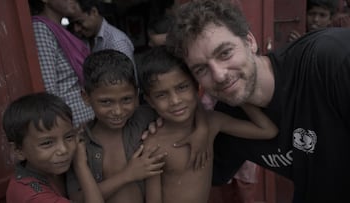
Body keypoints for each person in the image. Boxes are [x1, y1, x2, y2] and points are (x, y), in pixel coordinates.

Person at [166, 0, 350, 202]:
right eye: (201, 69)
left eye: (225, 53)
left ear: (250, 41)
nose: (218, 75)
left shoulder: (329, 60)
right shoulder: (230, 118)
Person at [137, 46, 278, 203]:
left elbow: (267, 131)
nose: (175, 101)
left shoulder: (212, 123)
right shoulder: (154, 144)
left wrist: (234, 95)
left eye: (182, 87)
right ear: (150, 101)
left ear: (197, 87)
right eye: (161, 95)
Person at [66, 49, 167, 203]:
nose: (118, 111)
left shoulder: (146, 119)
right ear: (86, 97)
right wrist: (127, 175)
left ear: (137, 94)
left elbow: (192, 115)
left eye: (126, 99)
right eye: (106, 102)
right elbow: (78, 199)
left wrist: (201, 129)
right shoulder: (80, 144)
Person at [3, 92, 103, 203]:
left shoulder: (50, 169)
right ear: (19, 150)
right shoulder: (33, 194)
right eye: (47, 143)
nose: (64, 149)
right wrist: (81, 167)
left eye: (69, 137)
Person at [28, 0, 94, 126]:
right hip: (72, 127)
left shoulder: (59, 29)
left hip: (85, 124)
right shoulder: (41, 28)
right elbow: (49, 90)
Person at [70, 0, 135, 65]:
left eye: (79, 22)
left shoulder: (116, 42)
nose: (76, 29)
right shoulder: (84, 39)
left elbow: (125, 74)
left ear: (94, 12)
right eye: (73, 24)